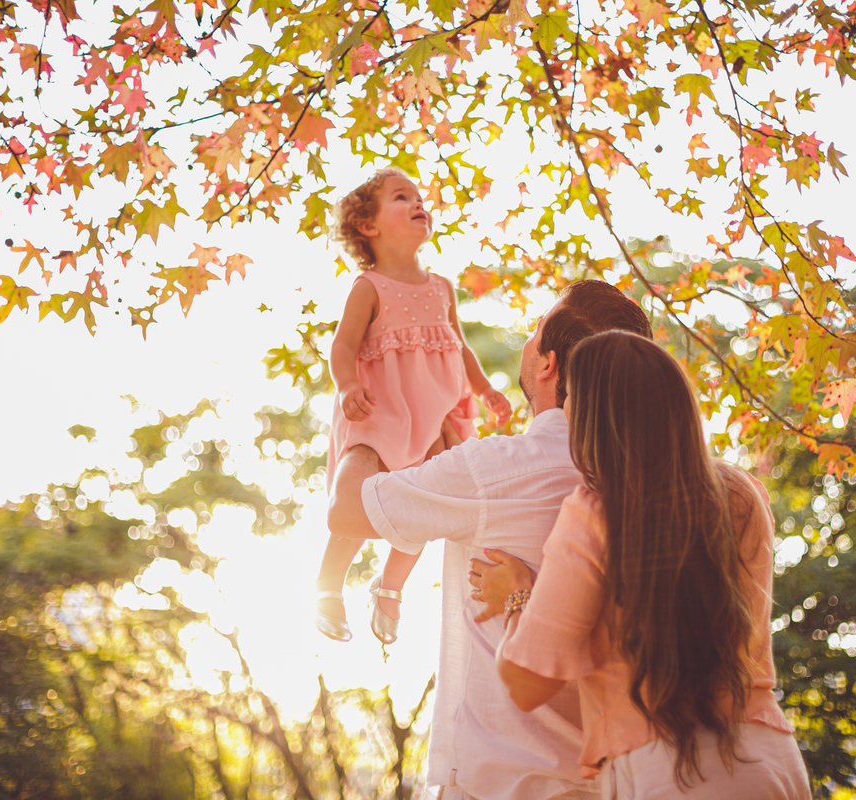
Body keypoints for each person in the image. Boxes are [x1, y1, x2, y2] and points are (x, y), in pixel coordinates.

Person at [327, 280, 653, 800]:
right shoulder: (654, 484)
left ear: (547, 365)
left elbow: (346, 511)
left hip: (508, 781)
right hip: (624, 782)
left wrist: (367, 435)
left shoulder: (495, 470)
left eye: (535, 329)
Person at [470, 331, 811, 799]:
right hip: (770, 758)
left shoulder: (597, 511)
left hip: (668, 769)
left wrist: (517, 595)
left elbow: (527, 685)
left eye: (570, 400)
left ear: (594, 416)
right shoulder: (741, 493)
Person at [316, 167, 512, 644]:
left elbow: (461, 348)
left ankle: (390, 588)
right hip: (378, 413)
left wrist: (483, 389)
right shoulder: (369, 287)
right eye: (401, 197)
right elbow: (342, 347)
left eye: (420, 196)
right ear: (369, 226)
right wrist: (346, 387)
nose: (418, 202)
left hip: (435, 416)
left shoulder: (442, 287)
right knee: (356, 497)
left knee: (424, 504)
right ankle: (327, 585)